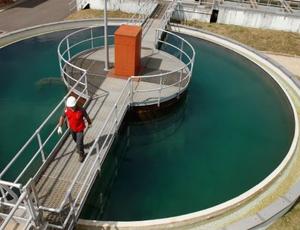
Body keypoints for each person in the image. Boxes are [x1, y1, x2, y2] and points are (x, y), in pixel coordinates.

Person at [57, 96, 92, 162]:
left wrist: (89, 123)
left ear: (75, 104)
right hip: (72, 129)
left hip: (80, 129)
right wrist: (59, 126)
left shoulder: (81, 110)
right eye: (70, 107)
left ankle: (81, 154)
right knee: (75, 139)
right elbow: (62, 117)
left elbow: (86, 116)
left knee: (79, 142)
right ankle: (80, 146)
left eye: (72, 107)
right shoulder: (67, 109)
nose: (71, 108)